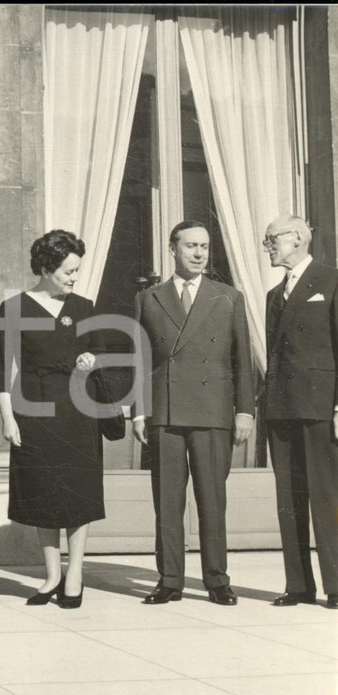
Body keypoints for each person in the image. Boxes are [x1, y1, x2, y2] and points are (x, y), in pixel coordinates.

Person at [132, 220, 255, 606]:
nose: (199, 254)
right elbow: (140, 359)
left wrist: (245, 411)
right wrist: (139, 412)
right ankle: (169, 580)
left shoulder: (229, 296)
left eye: (204, 246)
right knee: (167, 501)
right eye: (190, 246)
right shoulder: (149, 298)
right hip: (166, 411)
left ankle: (217, 579)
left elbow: (242, 360)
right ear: (173, 249)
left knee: (211, 498)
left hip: (214, 409)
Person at [0, 230, 105, 610]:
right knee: (43, 491)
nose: (74, 278)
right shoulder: (15, 308)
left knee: (78, 491)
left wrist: (91, 363)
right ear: (45, 267)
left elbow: (102, 356)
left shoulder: (85, 307)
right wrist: (8, 419)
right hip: (34, 410)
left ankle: (75, 574)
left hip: (78, 410)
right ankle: (52, 574)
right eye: (67, 272)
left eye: (77, 271)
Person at [262, 214, 338, 609]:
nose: (267, 246)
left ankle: (336, 585)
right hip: (280, 406)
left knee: (326, 496)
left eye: (272, 238)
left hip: (319, 405)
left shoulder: (331, 279)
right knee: (288, 499)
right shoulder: (274, 295)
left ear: (298, 238)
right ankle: (298, 585)